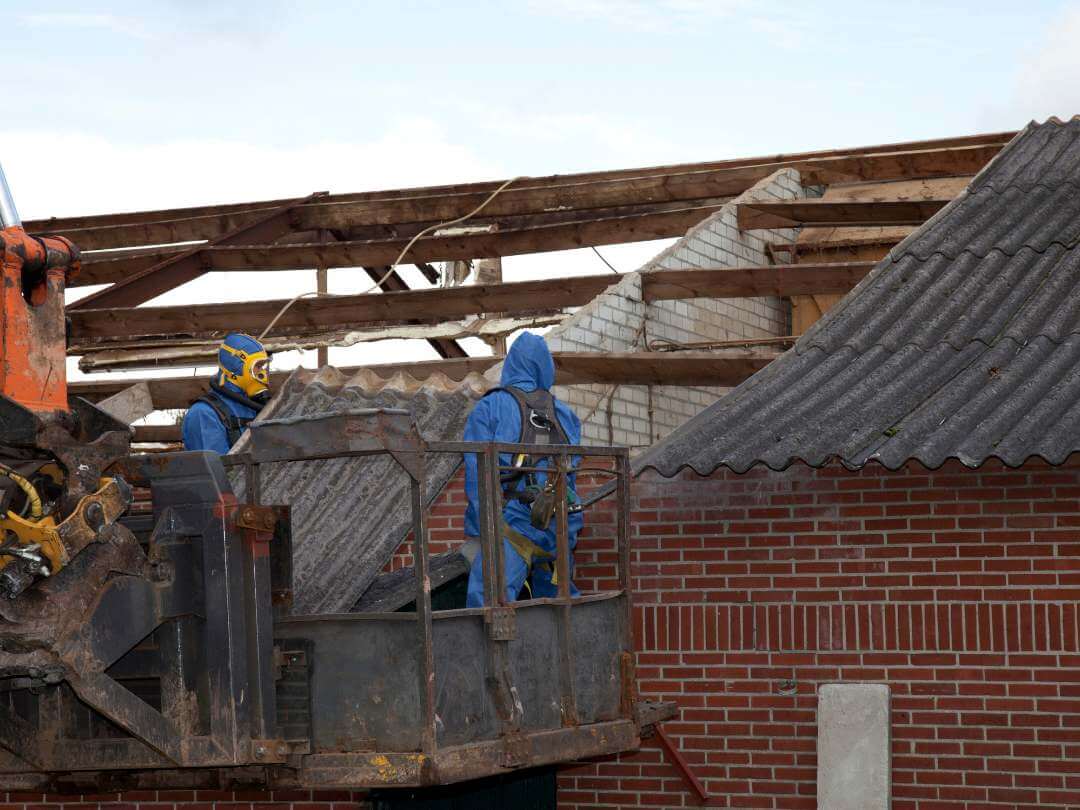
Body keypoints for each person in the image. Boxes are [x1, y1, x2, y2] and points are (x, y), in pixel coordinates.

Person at [463, 332, 583, 607]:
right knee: (561, 608)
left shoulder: (490, 407)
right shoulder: (565, 414)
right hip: (559, 529)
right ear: (545, 367)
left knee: (488, 606)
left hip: (514, 528)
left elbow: (478, 476)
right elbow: (571, 477)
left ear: (511, 365)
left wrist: (480, 528)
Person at [182, 332, 271, 453]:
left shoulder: (253, 407)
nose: (262, 373)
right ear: (236, 367)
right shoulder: (204, 414)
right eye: (258, 366)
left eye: (263, 366)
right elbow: (216, 464)